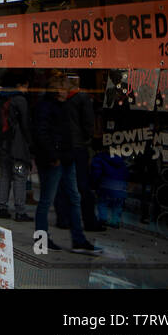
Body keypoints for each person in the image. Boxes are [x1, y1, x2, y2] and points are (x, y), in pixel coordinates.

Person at [32, 73, 102, 255]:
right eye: (64, 88)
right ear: (57, 90)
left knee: (73, 197)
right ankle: (43, 238)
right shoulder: (46, 107)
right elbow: (42, 133)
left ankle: (78, 239)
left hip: (65, 156)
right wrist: (53, 155)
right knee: (48, 200)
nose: (67, 92)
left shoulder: (62, 105)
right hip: (54, 159)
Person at [58, 75, 102, 232]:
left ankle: (63, 218)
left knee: (65, 183)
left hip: (65, 146)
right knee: (83, 184)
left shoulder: (63, 100)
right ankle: (89, 220)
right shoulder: (82, 98)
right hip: (78, 146)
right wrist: (88, 137)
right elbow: (88, 124)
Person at [0, 71, 32, 222]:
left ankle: (2, 207)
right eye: (26, 86)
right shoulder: (20, 101)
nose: (28, 90)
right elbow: (25, 124)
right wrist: (30, 143)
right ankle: (20, 210)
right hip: (18, 146)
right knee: (19, 176)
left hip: (4, 143)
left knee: (5, 176)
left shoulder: (1, 99)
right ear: (19, 85)